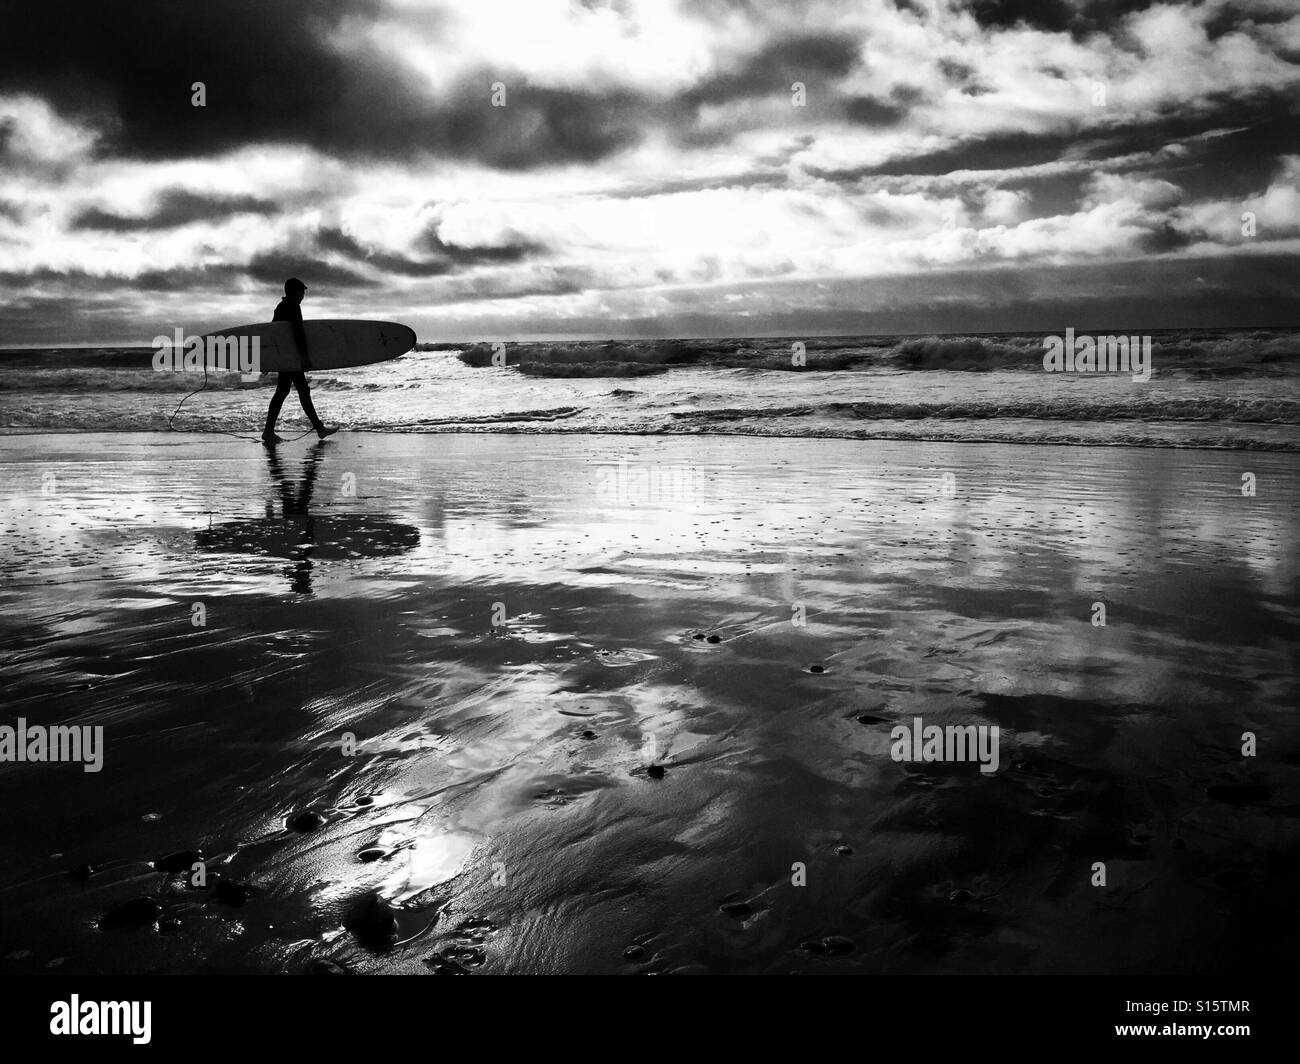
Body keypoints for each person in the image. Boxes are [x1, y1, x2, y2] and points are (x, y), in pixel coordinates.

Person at [262, 277, 337, 444]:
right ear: (294, 293)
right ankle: (319, 429)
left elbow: (273, 334)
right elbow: (298, 333)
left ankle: (269, 431)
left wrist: (269, 359)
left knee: (285, 392)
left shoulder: (280, 307)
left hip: (285, 357)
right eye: (302, 292)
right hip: (292, 358)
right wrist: (304, 357)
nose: (303, 295)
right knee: (300, 391)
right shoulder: (293, 307)